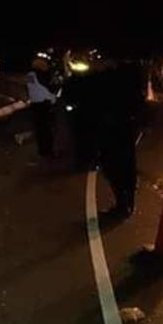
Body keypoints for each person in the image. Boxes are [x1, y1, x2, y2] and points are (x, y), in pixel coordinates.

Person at [63, 60, 146, 219]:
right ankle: (126, 203)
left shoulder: (101, 79)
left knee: (115, 167)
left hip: (113, 130)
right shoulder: (123, 77)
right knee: (123, 166)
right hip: (121, 128)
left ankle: (124, 205)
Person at [27, 55, 59, 158]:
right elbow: (45, 89)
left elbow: (31, 89)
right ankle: (49, 151)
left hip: (35, 104)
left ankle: (43, 151)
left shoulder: (30, 75)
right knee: (47, 129)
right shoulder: (40, 75)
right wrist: (53, 97)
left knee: (40, 129)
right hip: (44, 104)